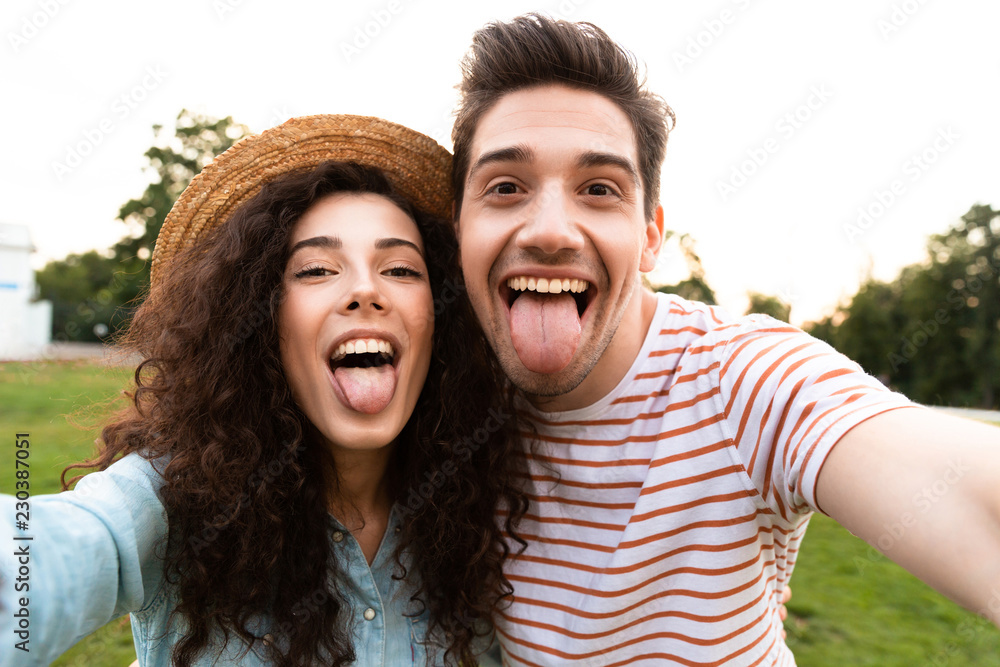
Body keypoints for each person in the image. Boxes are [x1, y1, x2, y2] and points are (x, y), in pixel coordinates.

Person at [450, 14, 1000, 666]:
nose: (550, 230)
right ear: (457, 225)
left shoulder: (745, 377)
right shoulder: (445, 401)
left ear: (652, 234)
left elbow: (971, 498)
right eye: (506, 186)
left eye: (599, 189)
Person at [0, 115, 526, 666]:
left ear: (442, 316)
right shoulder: (173, 497)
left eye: (399, 268)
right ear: (260, 317)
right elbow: (57, 551)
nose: (365, 290)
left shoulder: (488, 511)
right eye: (317, 269)